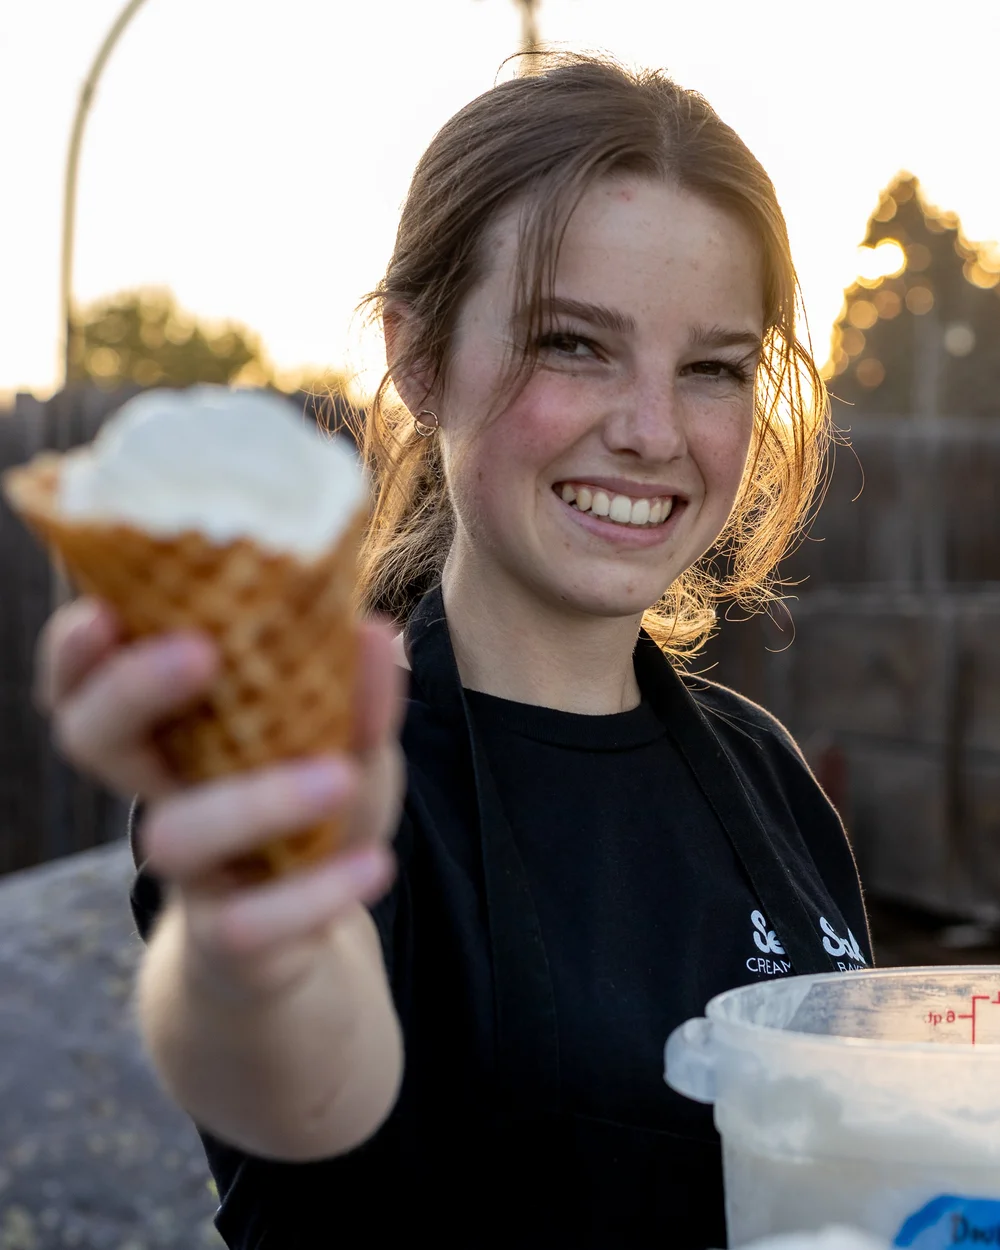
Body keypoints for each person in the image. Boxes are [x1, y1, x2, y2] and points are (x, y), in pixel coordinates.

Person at [37, 55, 871, 1249]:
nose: (648, 429)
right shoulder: (320, 774)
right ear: (418, 358)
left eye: (712, 367)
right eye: (574, 343)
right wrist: (258, 939)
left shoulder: (769, 779)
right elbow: (300, 1087)